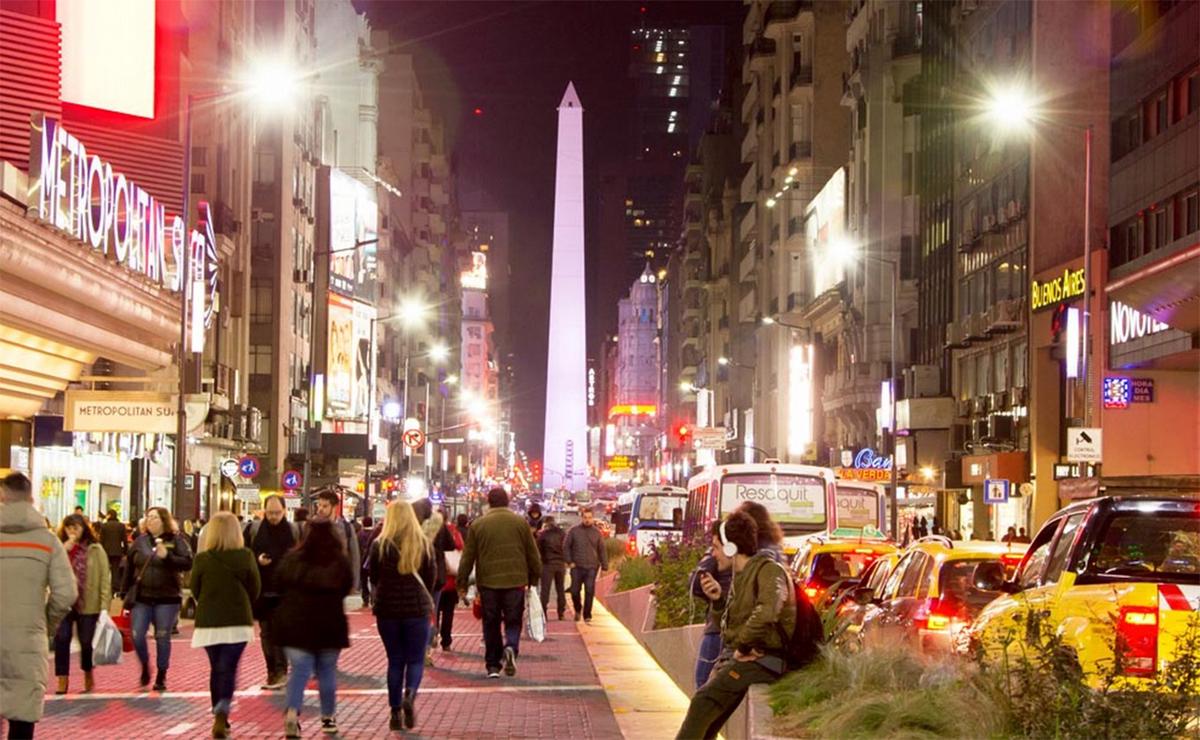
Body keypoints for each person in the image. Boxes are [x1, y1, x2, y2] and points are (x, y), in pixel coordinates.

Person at [676, 512, 798, 740]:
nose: (713, 554)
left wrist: (743, 646)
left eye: (715, 547)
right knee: (709, 717)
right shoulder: (742, 575)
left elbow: (768, 611)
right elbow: (730, 626)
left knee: (703, 702)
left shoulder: (769, 571)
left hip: (763, 660)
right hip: (748, 658)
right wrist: (718, 600)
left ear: (731, 548)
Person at [1, 473, 76, 739]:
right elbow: (66, 593)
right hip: (28, 639)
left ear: (2, 497)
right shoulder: (47, 540)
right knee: (22, 717)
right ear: (31, 498)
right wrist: (46, 622)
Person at [273, 518, 353, 737]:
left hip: (296, 624)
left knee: (299, 671)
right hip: (329, 623)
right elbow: (347, 587)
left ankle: (292, 712)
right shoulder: (339, 561)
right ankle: (328, 718)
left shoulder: (292, 559)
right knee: (326, 672)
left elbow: (278, 584)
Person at [456, 487, 542, 678]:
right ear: (508, 501)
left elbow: (467, 558)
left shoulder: (478, 525)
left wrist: (461, 583)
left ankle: (493, 665)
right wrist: (533, 579)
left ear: (489, 502)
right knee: (513, 621)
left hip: (488, 583)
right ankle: (511, 646)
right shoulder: (520, 523)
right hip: (516, 581)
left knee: (491, 623)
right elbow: (533, 555)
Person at [369, 501, 437, 732]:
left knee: (395, 660)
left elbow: (373, 577)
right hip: (416, 611)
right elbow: (430, 578)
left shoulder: (380, 545)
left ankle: (395, 710)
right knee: (415, 659)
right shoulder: (423, 544)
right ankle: (410, 694)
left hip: (387, 610)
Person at [190, 512, 260, 738]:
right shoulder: (246, 556)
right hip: (237, 620)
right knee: (228, 667)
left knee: (216, 667)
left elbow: (195, 589)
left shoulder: (202, 558)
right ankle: (223, 710)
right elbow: (255, 588)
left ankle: (217, 711)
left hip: (209, 622)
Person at [121, 506, 193, 691]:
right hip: (142, 597)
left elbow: (187, 562)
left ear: (164, 520)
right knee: (137, 634)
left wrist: (167, 556)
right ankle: (145, 665)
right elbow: (129, 566)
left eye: (155, 517)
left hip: (167, 597)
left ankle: (162, 674)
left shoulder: (176, 541)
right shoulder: (140, 542)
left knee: (162, 635)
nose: (150, 520)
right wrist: (124, 591)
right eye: (148, 517)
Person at [243, 495, 299, 690]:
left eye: (277, 513)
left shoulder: (292, 531)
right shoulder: (255, 530)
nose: (273, 517)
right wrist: (257, 560)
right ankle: (271, 671)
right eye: (270, 513)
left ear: (284, 512)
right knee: (266, 632)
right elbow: (246, 554)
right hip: (262, 589)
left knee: (280, 631)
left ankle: (281, 670)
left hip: (285, 591)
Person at [52, 514, 111, 695]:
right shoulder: (58, 548)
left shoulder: (95, 549)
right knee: (61, 639)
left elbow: (104, 577)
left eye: (76, 527)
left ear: (84, 528)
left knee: (86, 641)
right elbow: (50, 569)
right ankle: (62, 678)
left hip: (88, 602)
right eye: (69, 527)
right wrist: (64, 549)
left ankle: (88, 673)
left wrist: (104, 605)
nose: (72, 531)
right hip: (64, 602)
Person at [690, 521, 733, 691]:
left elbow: (694, 584)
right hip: (722, 632)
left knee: (704, 688)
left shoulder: (749, 575)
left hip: (719, 634)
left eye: (715, 547)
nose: (713, 553)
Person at [312, 489, 361, 593]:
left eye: (325, 506)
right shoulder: (310, 527)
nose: (320, 509)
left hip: (337, 582)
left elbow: (354, 557)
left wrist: (354, 584)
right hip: (315, 582)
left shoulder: (346, 528)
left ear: (334, 507)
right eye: (319, 505)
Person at [564, 507, 608, 624]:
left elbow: (602, 550)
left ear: (592, 518)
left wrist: (604, 567)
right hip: (576, 567)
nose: (587, 520)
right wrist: (569, 561)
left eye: (589, 518)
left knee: (589, 590)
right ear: (581, 518)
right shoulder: (574, 531)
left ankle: (587, 615)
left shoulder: (597, 533)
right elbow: (566, 547)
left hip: (591, 567)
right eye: (585, 518)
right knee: (574, 591)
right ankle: (578, 609)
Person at [435, 514, 465, 651]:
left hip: (435, 579)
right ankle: (446, 640)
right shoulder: (453, 531)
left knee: (433, 611)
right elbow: (459, 546)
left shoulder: (427, 531)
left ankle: (432, 637)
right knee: (448, 612)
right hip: (451, 579)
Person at [537, 515, 568, 621]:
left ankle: (544, 613)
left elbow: (539, 549)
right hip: (560, 564)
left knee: (545, 590)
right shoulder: (562, 534)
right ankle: (561, 613)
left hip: (547, 564)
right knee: (560, 589)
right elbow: (566, 547)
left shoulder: (543, 535)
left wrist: (543, 560)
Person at [98, 509, 127, 590]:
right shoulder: (121, 526)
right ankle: (115, 588)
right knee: (115, 571)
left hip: (106, 551)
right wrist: (125, 552)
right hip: (117, 551)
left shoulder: (104, 526)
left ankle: (105, 587)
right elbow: (124, 540)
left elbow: (101, 540)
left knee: (105, 570)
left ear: (109, 515)